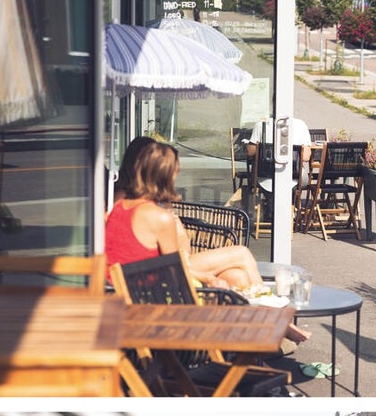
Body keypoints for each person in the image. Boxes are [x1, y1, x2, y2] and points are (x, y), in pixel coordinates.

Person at [106, 137, 309, 342]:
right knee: (240, 254)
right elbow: (175, 268)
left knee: (236, 276)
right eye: (175, 173)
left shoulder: (120, 207)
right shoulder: (156, 216)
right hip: (149, 298)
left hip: (128, 292)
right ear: (163, 175)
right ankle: (275, 320)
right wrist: (209, 278)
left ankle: (255, 352)